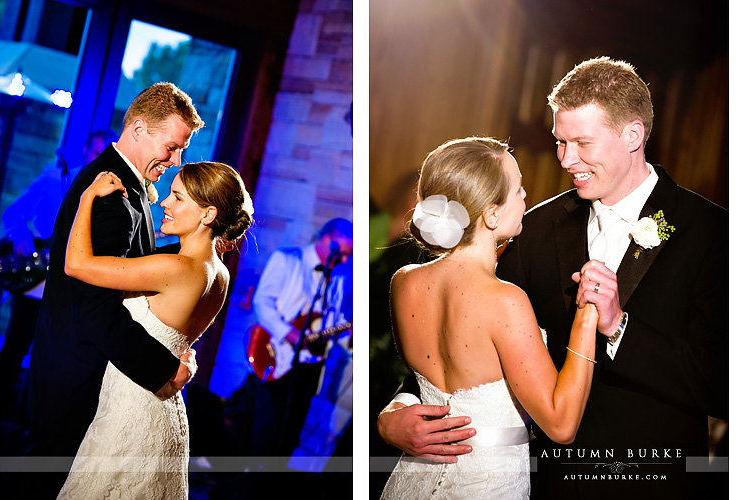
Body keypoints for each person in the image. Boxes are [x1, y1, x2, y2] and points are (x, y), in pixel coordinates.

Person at [377, 57, 728, 499]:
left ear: (633, 135)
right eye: (560, 141)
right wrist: (397, 409)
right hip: (546, 481)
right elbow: (468, 343)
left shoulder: (712, 233)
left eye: (581, 142)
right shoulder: (534, 228)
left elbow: (722, 386)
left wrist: (619, 328)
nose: (565, 159)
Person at [378, 137, 598, 499]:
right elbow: (560, 426)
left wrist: (393, 411)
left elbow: (423, 382)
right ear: (491, 214)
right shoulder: (505, 300)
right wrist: (587, 317)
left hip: (411, 479)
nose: (527, 196)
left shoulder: (404, 282)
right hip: (486, 484)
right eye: (518, 189)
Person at [27, 82, 204, 498]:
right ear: (139, 128)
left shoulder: (123, 183)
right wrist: (161, 369)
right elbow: (94, 306)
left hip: (74, 368)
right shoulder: (112, 195)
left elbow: (132, 265)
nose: (177, 160)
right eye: (172, 147)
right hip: (77, 377)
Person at [57, 161, 253, 498]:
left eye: (177, 197)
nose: (165, 202)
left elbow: (76, 264)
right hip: (163, 412)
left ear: (207, 215)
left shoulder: (175, 268)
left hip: (129, 413)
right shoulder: (218, 274)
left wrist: (87, 197)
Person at [0, 129, 116, 423]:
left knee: (50, 359)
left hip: (69, 288)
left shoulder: (107, 199)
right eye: (94, 152)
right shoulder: (55, 179)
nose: (96, 159)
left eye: (104, 156)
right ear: (86, 150)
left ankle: (27, 423)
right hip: (36, 283)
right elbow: (13, 213)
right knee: (15, 347)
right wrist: (22, 231)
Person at [245, 217, 353, 460]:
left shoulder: (338, 278)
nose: (345, 260)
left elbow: (331, 324)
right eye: (343, 253)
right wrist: (289, 333)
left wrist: (349, 335)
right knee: (266, 432)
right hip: (278, 355)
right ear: (327, 241)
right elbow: (262, 302)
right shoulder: (287, 260)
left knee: (290, 434)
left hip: (310, 366)